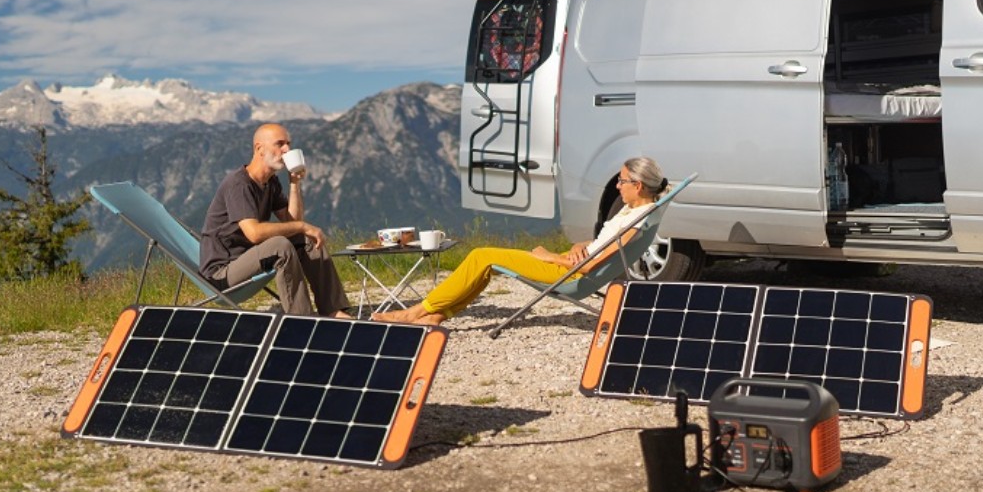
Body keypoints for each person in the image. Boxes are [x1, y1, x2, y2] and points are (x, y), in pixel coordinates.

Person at [374, 157, 669, 326]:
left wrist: (549, 256)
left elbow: (591, 264)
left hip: (567, 273)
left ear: (638, 185)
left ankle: (415, 312)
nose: (617, 187)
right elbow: (602, 246)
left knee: (481, 256)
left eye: (621, 181)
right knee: (487, 263)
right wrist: (581, 244)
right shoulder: (641, 211)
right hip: (573, 262)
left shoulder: (634, 219)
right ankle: (437, 314)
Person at [199, 122, 352, 318]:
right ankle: (302, 320)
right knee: (280, 245)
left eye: (288, 144)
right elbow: (254, 234)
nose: (287, 149)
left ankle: (332, 309)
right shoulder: (239, 184)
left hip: (249, 259)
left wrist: (294, 184)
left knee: (307, 240)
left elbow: (293, 224)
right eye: (280, 144)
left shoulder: (270, 182)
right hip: (221, 274)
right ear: (259, 149)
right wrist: (303, 226)